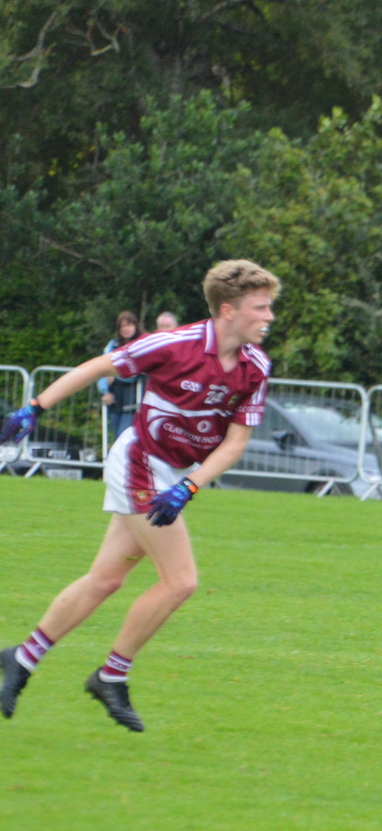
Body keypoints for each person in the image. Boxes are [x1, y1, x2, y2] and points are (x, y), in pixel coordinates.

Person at [0, 260, 279, 731]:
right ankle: (112, 675)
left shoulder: (255, 366)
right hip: (139, 462)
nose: (269, 316)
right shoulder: (176, 343)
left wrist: (189, 486)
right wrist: (34, 407)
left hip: (173, 474)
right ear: (228, 310)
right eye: (261, 307)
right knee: (181, 581)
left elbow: (235, 443)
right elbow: (100, 366)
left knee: (105, 580)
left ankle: (20, 659)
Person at [99, 311, 145, 441]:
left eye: (129, 325)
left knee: (123, 436)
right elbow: (102, 368)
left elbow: (139, 370)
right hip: (115, 397)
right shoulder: (112, 345)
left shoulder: (141, 344)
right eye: (123, 326)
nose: (126, 329)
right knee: (115, 435)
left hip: (133, 398)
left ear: (135, 326)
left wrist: (115, 373)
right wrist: (104, 391)